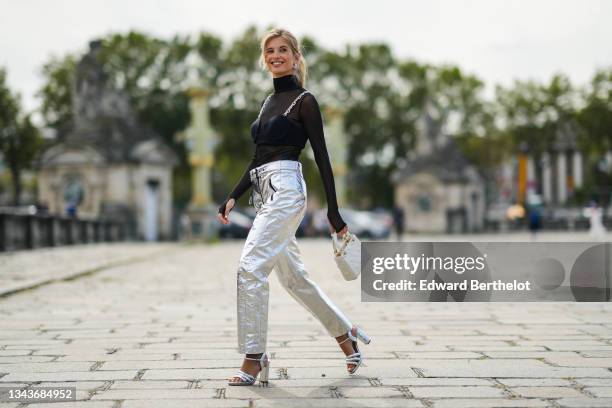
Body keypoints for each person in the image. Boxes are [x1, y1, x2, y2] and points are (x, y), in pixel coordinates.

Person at [217, 28, 370, 386]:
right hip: (263, 192)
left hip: (287, 191)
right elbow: (258, 157)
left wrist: (333, 212)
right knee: (294, 279)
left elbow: (322, 156)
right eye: (270, 51)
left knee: (250, 267)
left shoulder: (304, 101)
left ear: (296, 57)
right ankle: (346, 336)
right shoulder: (266, 103)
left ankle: (254, 357)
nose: (276, 56)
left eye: (283, 50)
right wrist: (233, 195)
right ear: (264, 58)